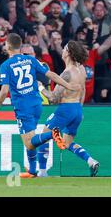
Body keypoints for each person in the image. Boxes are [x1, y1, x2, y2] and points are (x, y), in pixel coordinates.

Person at [0, 33, 78, 178]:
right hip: (37, 103)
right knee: (29, 137)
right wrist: (67, 85)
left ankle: (52, 135)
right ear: (20, 45)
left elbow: (4, 90)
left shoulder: (5, 65)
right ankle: (32, 170)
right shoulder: (30, 59)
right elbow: (51, 75)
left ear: (8, 46)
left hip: (23, 107)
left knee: (30, 143)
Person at [33, 40, 100, 177]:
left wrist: (40, 87)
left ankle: (43, 172)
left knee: (43, 136)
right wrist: (79, 109)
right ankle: (90, 161)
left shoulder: (66, 74)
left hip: (66, 109)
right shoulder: (81, 69)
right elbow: (82, 91)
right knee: (68, 143)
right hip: (77, 109)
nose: (62, 51)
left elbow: (53, 99)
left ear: (68, 53)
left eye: (64, 48)